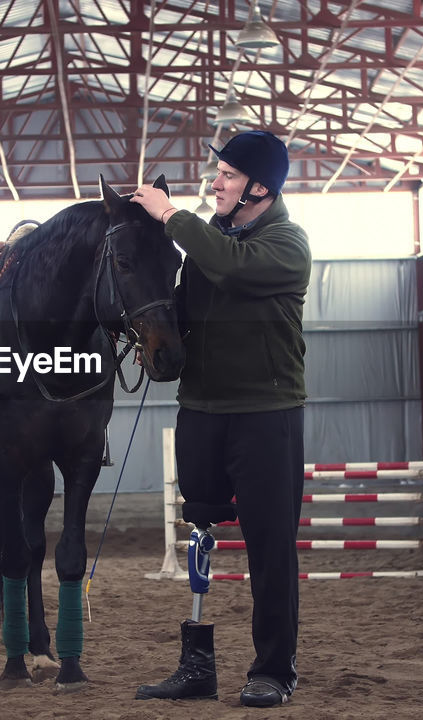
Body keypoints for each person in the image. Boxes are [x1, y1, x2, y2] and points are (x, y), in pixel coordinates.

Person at [128, 129, 311, 708]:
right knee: (200, 531)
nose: (216, 183)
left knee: (270, 545)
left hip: (265, 415)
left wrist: (170, 215)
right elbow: (181, 310)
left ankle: (274, 670)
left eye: (228, 176)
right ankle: (197, 666)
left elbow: (230, 266)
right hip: (201, 412)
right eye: (218, 174)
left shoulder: (286, 244)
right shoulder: (213, 243)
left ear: (259, 187)